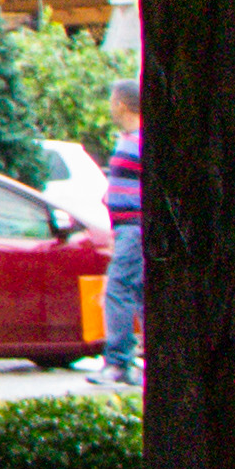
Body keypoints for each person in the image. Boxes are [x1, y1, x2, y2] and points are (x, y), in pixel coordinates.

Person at [99, 81, 146, 387]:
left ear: (121, 104)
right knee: (140, 293)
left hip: (134, 227)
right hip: (125, 228)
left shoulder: (142, 140)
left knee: (117, 289)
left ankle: (117, 363)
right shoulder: (128, 139)